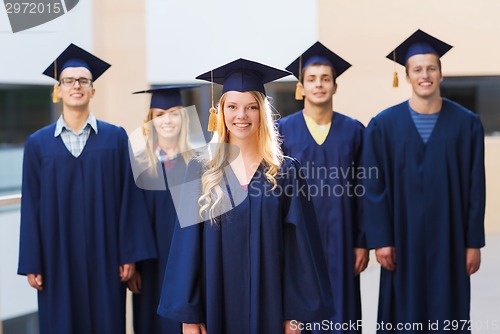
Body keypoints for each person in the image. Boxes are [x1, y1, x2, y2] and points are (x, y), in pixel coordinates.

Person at [157, 58, 334, 334]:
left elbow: (300, 249)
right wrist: (189, 317)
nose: (242, 116)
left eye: (251, 107)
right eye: (233, 107)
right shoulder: (201, 169)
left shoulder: (286, 171)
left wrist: (297, 314)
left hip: (272, 308)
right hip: (216, 305)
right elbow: (186, 248)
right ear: (221, 112)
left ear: (262, 113)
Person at [17, 43, 157, 334]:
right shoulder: (38, 144)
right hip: (57, 256)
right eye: (69, 81)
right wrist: (33, 260)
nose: (76, 86)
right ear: (59, 89)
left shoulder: (115, 138)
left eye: (83, 81)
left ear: (93, 90)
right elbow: (31, 204)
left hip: (105, 253)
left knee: (106, 321)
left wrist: (128, 254)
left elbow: (128, 198)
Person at [363, 30, 486, 333]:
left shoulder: (467, 124)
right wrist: (381, 239)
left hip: (451, 238)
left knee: (449, 311)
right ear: (406, 76)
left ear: (441, 73)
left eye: (431, 68)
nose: (425, 75)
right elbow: (374, 187)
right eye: (417, 69)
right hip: (401, 239)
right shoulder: (383, 125)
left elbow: (475, 187)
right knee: (403, 314)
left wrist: (473, 242)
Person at [278, 42, 368, 334]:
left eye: (325, 78)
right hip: (297, 241)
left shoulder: (354, 130)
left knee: (343, 315)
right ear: (301, 87)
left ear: (335, 86)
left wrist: (362, 241)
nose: (319, 85)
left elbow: (364, 190)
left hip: (343, 239)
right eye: (312, 79)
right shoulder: (283, 131)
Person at [127, 85, 200, 334]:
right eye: (159, 114)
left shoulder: (198, 162)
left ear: (184, 117)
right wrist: (135, 263)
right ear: (150, 121)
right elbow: (132, 215)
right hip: (151, 263)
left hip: (188, 260)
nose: (167, 120)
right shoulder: (139, 163)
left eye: (174, 113)